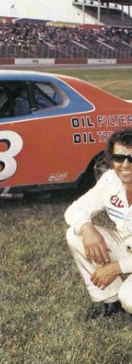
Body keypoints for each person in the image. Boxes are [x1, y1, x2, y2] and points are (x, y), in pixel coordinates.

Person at [65, 128, 132, 318]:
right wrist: (87, 228)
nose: (125, 165)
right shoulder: (110, 179)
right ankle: (111, 302)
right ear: (111, 160)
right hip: (126, 246)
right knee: (75, 233)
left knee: (130, 299)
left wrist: (117, 268)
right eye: (119, 158)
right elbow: (75, 209)